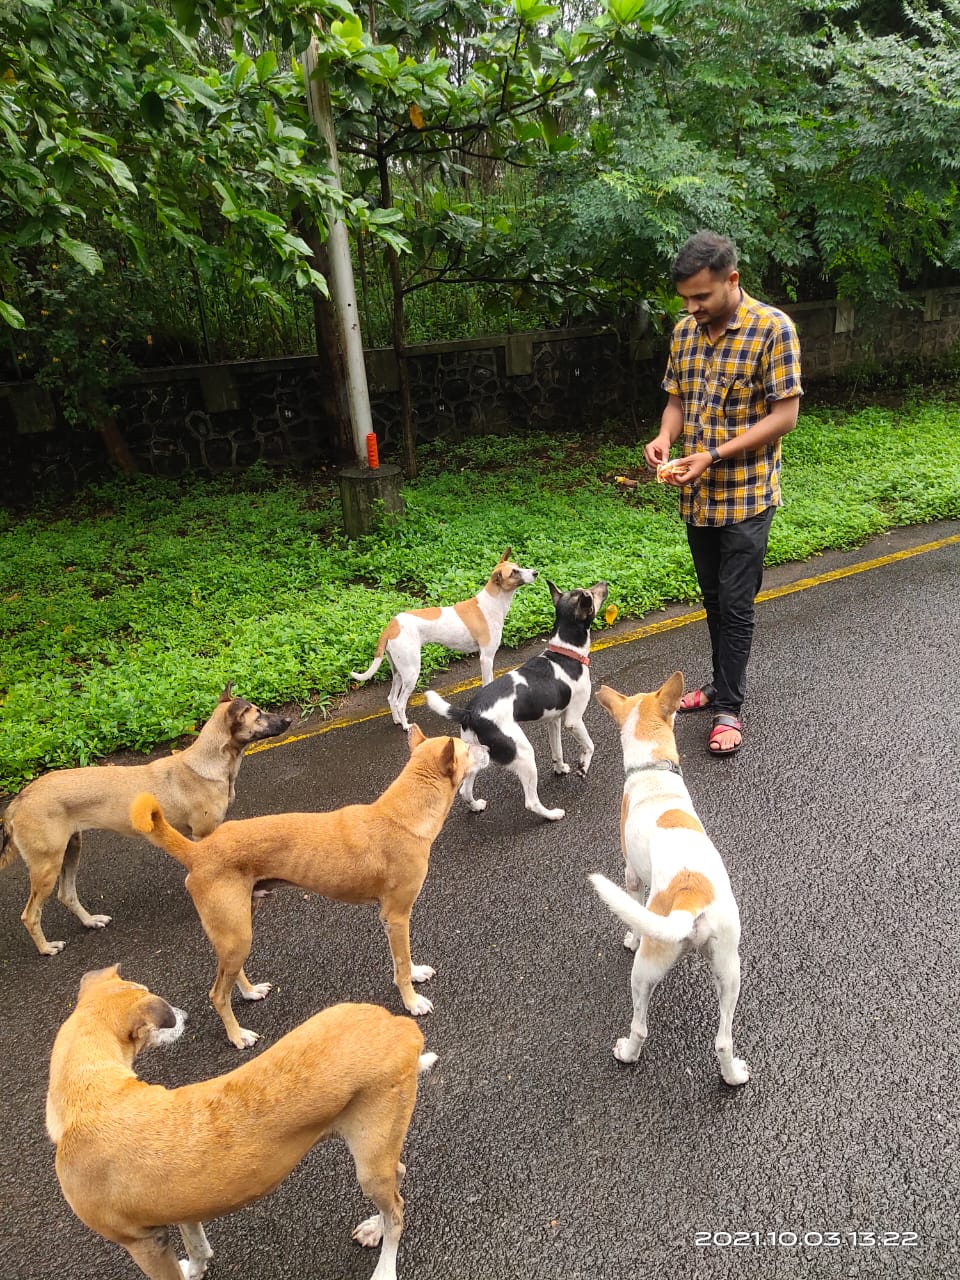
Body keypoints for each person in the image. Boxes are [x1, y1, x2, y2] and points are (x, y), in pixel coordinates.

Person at [644, 230, 802, 757]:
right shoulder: (685, 332)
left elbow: (785, 416)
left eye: (702, 297)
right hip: (697, 498)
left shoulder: (772, 329)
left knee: (736, 603)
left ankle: (729, 705)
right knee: (712, 598)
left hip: (748, 496)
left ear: (732, 280)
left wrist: (712, 455)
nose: (692, 308)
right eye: (685, 299)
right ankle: (718, 683)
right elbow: (677, 401)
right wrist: (666, 437)